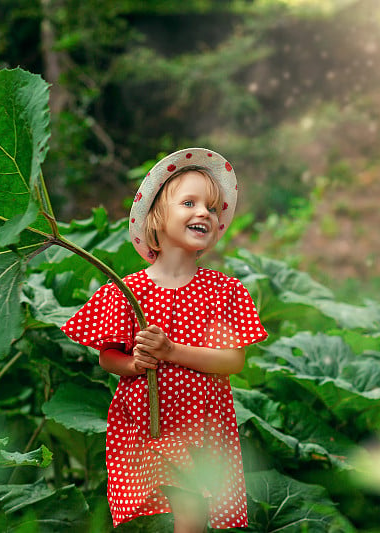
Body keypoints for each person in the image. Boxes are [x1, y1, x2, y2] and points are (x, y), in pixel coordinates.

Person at [61, 148, 267, 532]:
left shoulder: (224, 292)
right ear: (156, 218)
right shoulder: (126, 291)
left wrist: (172, 351)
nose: (204, 212)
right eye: (189, 202)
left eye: (212, 207)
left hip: (198, 425)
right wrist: (134, 365)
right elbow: (108, 357)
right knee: (161, 517)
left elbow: (232, 362)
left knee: (190, 512)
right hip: (142, 424)